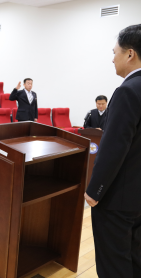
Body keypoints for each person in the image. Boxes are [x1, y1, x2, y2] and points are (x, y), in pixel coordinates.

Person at [85, 24, 141, 277]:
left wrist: (94, 190)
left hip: (119, 197)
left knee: (114, 264)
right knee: (135, 257)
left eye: (114, 51)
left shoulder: (128, 91)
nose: (112, 58)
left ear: (130, 54)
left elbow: (115, 146)